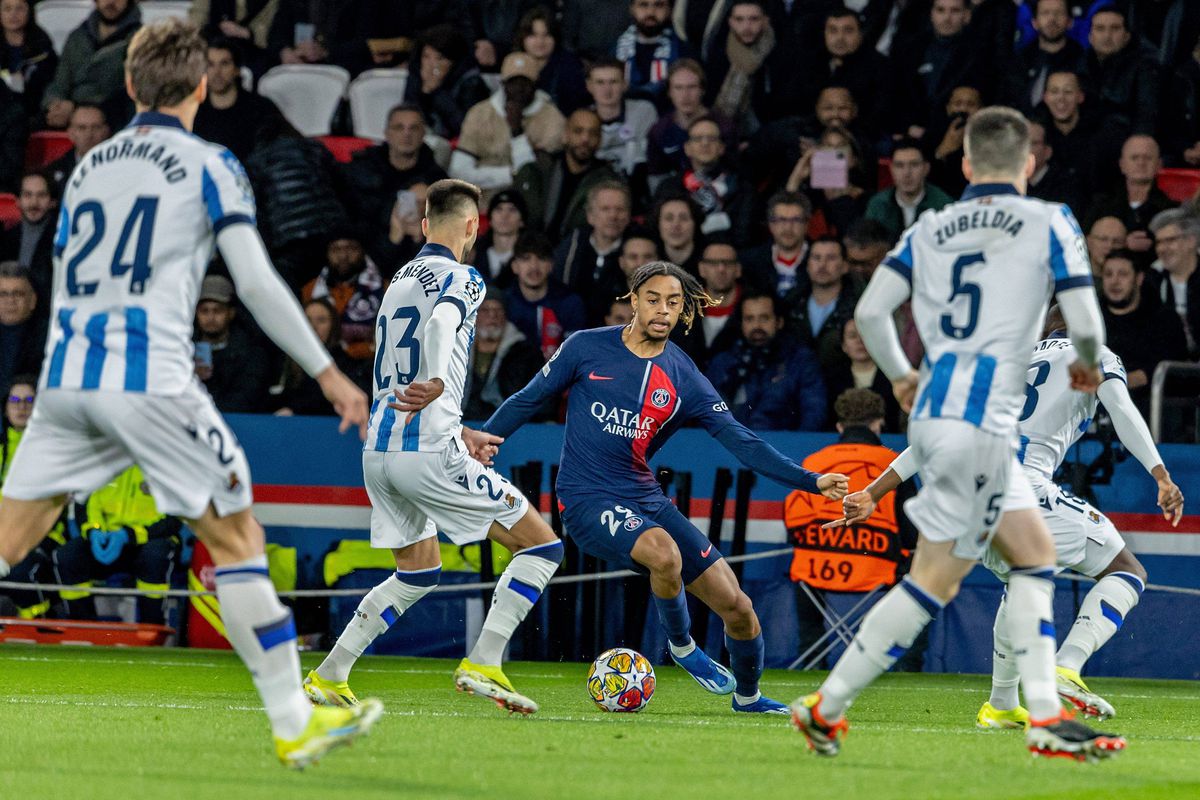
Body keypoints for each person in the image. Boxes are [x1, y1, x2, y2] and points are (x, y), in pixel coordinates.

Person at [0, 20, 379, 768]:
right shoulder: (210, 163)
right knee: (237, 540)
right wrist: (331, 373)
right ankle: (293, 719)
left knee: (7, 543)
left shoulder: (90, 164)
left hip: (68, 380)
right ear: (203, 87)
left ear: (132, 86)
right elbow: (255, 280)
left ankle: (295, 717)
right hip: (150, 381)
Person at [792, 106, 1124, 760]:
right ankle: (1043, 721)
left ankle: (826, 709)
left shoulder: (931, 225)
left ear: (967, 165)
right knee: (1009, 567)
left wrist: (901, 375)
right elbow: (1084, 315)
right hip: (984, 422)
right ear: (1028, 164)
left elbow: (871, 310)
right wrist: (1086, 358)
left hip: (939, 414)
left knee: (957, 576)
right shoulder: (1049, 218)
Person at [481, 260, 850, 714]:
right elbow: (529, 398)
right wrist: (483, 437)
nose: (662, 309)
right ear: (632, 301)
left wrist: (811, 481)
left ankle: (748, 697)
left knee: (738, 607)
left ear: (681, 311)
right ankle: (682, 647)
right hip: (586, 498)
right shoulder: (584, 348)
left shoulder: (683, 375)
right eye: (653, 299)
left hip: (646, 499)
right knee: (664, 553)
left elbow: (743, 442)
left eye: (673, 302)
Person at [835, 306, 1185, 727]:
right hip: (1023, 490)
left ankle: (1000, 704)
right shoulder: (1094, 353)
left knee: (1016, 581)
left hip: (967, 492)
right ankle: (1067, 665)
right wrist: (1160, 474)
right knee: (1126, 570)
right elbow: (1123, 408)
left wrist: (873, 492)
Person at [305, 178, 565, 716]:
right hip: (425, 448)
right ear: (473, 227)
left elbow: (394, 365)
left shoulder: (399, 277)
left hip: (380, 449)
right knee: (542, 547)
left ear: (425, 225)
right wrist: (440, 387)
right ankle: (485, 661)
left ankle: (331, 673)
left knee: (418, 571)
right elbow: (443, 326)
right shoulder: (464, 277)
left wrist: (457, 422)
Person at [784, 388, 916, 663]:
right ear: (878, 423)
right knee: (918, 575)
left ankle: (811, 661)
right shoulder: (892, 466)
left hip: (815, 572)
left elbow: (793, 527)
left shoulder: (814, 462)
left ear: (840, 426)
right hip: (878, 572)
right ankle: (909, 665)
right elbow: (912, 533)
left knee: (801, 569)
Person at [51, 464, 182, 625]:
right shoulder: (102, 459)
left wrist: (129, 535)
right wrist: (94, 532)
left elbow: (174, 519)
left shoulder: (165, 462)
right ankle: (82, 629)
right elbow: (83, 502)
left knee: (155, 556)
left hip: (148, 540)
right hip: (106, 540)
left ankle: (152, 629)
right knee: (68, 556)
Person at [338, 103, 447, 267]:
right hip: (364, 258)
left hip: (417, 262)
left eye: (414, 128)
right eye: (399, 127)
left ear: (423, 133)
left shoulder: (437, 180)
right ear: (387, 133)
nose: (407, 134)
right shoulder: (361, 170)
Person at [450, 51, 565, 198]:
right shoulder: (480, 113)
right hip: (481, 200)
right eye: (513, 82)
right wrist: (509, 174)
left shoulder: (553, 118)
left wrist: (516, 130)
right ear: (503, 84)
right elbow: (459, 171)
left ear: (536, 85)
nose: (519, 89)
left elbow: (531, 178)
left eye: (525, 83)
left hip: (527, 202)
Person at [705, 291, 826, 431]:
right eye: (749, 319)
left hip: (785, 448)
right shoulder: (722, 364)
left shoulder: (801, 361)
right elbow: (704, 413)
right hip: (729, 447)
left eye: (764, 318)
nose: (757, 326)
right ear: (741, 324)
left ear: (779, 322)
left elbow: (814, 414)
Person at [0, 375, 62, 619]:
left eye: (29, 400)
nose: (21, 406)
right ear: (5, 408)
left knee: (21, 571)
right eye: (15, 400)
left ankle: (39, 629)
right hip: (4, 538)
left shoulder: (53, 452)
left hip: (41, 537)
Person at [1100, 250, 1189, 414]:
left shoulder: (1164, 319)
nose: (1114, 281)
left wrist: (1133, 379)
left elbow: (1177, 369)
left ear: (1139, 278)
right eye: (1108, 274)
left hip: (1153, 407)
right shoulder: (1091, 318)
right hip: (1097, 404)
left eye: (1123, 274)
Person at [516, 108, 621, 242]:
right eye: (578, 131)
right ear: (565, 135)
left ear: (600, 140)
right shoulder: (539, 172)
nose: (585, 139)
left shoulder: (607, 182)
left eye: (593, 133)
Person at [41, 0, 141, 129]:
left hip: (114, 116)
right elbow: (60, 82)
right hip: (70, 112)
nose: (111, 2)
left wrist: (79, 109)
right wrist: (55, 104)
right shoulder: (77, 37)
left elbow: (133, 92)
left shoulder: (140, 40)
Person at [271, 297, 370, 416]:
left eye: (321, 320)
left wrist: (295, 410)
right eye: (307, 320)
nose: (313, 326)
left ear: (333, 327)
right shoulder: (283, 360)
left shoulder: (345, 365)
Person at [553, 180, 632, 325]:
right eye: (605, 209)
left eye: (620, 209)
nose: (613, 216)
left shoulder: (638, 251)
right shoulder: (572, 246)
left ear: (628, 215)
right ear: (590, 215)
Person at [191, 37, 283, 163]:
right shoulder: (192, 111)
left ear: (237, 70)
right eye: (210, 65)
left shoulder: (261, 109)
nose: (217, 72)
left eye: (224, 63)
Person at [462, 289, 544, 421]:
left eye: (498, 310)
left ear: (506, 315)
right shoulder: (456, 351)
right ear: (474, 316)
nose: (492, 315)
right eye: (485, 310)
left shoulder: (525, 353)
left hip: (507, 426)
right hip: (461, 424)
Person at [193, 275, 272, 413]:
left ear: (231, 312)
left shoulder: (251, 354)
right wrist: (191, 378)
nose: (210, 318)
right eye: (204, 311)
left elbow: (246, 399)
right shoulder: (182, 350)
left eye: (217, 310)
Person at [1084, 135, 1174, 252]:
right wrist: (1123, 244)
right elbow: (1082, 240)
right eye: (1134, 158)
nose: (1141, 163)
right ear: (1122, 164)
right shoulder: (1100, 205)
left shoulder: (1169, 210)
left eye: (1147, 158)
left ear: (1159, 165)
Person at [784, 237, 860, 373]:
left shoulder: (858, 307)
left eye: (831, 258)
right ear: (807, 265)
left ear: (845, 266)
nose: (822, 264)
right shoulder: (790, 305)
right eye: (816, 258)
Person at [506, 231, 587, 360]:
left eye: (541, 258)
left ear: (550, 266)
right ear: (514, 266)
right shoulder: (505, 303)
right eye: (526, 258)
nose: (534, 266)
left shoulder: (570, 302)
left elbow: (576, 354)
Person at [671, 238, 743, 370]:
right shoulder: (681, 311)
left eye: (728, 263)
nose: (721, 269)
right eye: (713, 263)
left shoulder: (752, 310)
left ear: (738, 269)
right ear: (701, 269)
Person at [823, 319, 904, 434]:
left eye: (865, 334)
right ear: (843, 345)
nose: (860, 341)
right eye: (852, 336)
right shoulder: (831, 378)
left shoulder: (894, 375)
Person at [864, 139, 953, 242]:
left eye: (914, 165)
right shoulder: (877, 205)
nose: (907, 173)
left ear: (926, 168)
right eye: (899, 165)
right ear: (891, 169)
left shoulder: (944, 206)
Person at [587, 57, 657, 182]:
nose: (607, 90)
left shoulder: (644, 111)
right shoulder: (581, 119)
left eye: (613, 82)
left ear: (624, 84)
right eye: (600, 82)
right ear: (589, 86)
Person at [613, 0, 690, 105]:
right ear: (632, 9)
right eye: (643, 5)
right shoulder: (615, 49)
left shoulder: (683, 51)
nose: (650, 12)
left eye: (659, 5)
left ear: (669, 10)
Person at [1146, 208, 1200, 357]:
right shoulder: (1152, 281)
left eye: (1170, 240)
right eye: (1158, 242)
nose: (1162, 249)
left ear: (1191, 241)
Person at [0, 171, 56, 306]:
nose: (34, 203)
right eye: (27, 195)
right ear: (18, 201)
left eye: (41, 195)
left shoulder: (61, 238)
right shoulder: (5, 238)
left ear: (52, 202)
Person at [740, 190, 810, 296]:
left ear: (806, 225)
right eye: (782, 220)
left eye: (796, 220)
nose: (788, 228)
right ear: (771, 225)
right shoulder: (750, 262)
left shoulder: (822, 259)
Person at [0, 0, 58, 119]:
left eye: (19, 9)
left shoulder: (42, 47)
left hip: (33, 111)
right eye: (7, 9)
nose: (13, 14)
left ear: (29, 12)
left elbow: (53, 83)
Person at [0, 262, 45, 391]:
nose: (10, 301)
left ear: (32, 301)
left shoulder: (48, 338)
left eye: (18, 294)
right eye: (3, 294)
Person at [46, 104, 109, 194]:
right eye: (82, 128)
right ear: (71, 133)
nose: (89, 135)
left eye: (96, 127)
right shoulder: (54, 171)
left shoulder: (119, 166)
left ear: (106, 131)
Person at [471, 189, 526, 288]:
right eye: (498, 209)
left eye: (512, 210)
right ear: (490, 219)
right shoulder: (475, 252)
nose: (504, 216)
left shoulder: (529, 256)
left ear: (522, 221)